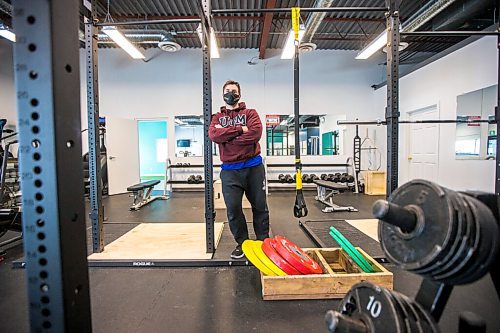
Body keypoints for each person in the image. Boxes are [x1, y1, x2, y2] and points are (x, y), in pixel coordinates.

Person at [209, 80, 270, 259]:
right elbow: (213, 135)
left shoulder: (250, 113)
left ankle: (262, 242)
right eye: (227, 91)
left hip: (253, 168)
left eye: (233, 91)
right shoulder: (216, 118)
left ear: (239, 94)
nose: (230, 93)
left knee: (260, 207)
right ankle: (242, 244)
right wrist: (240, 129)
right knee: (233, 209)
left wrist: (227, 136)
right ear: (223, 94)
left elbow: (255, 134)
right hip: (229, 171)